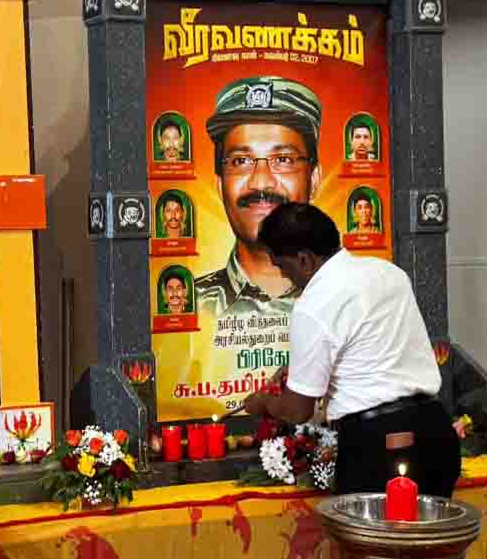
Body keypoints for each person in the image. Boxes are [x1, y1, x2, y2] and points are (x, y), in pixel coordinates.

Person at [241, 203, 459, 498]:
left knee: (376, 531)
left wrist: (264, 402)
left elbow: (298, 410)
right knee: (432, 528)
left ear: (304, 259)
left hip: (378, 445)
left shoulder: (314, 304)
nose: (285, 277)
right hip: (435, 433)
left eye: (282, 267)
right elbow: (372, 347)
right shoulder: (388, 272)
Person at [194, 76, 322, 318]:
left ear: (313, 180)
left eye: (283, 159)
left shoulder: (352, 302)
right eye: (241, 161)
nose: (261, 182)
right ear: (220, 186)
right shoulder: (187, 306)